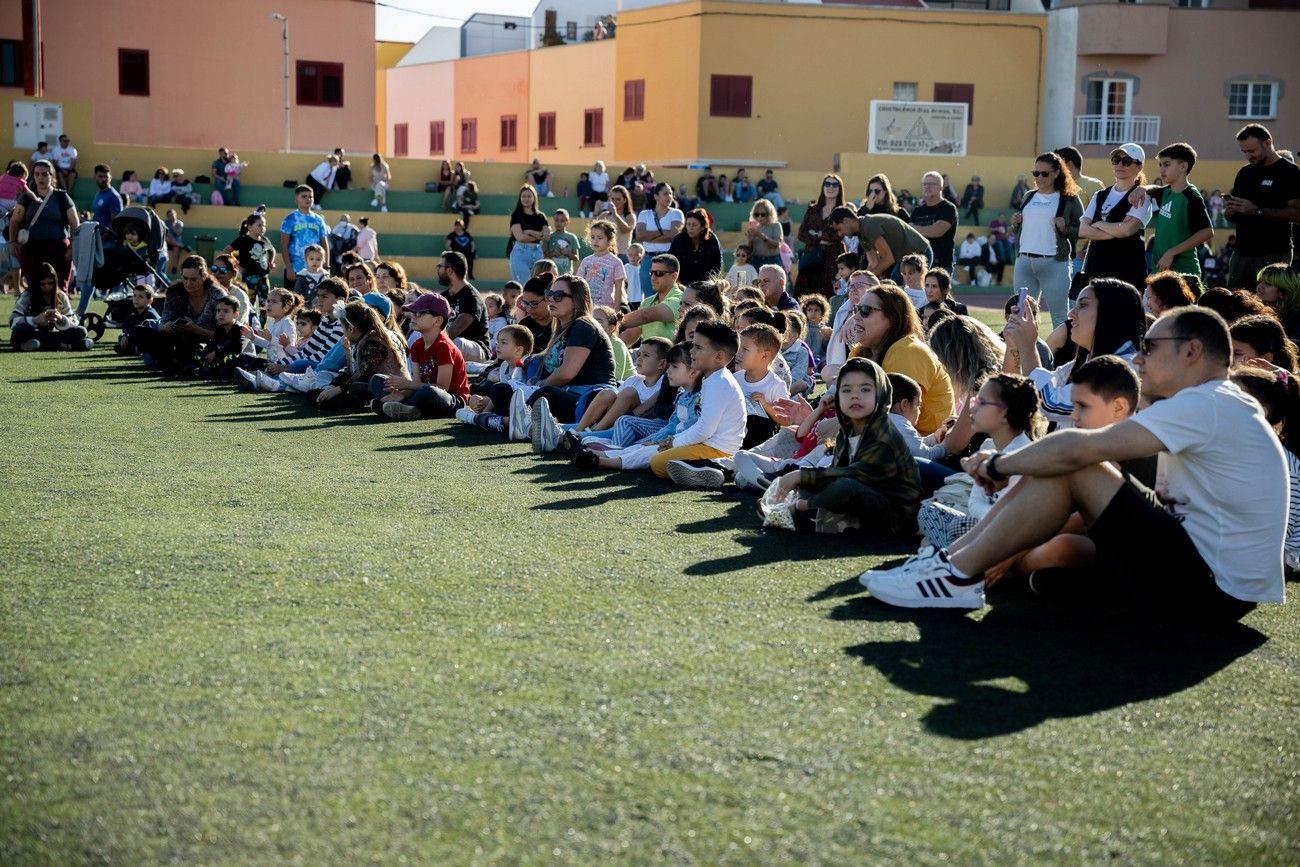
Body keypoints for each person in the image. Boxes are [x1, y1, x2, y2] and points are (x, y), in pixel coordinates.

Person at [862, 307, 1286, 619]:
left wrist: (997, 468)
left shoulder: (1206, 403)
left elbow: (1078, 449)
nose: (1139, 358)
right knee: (1066, 508)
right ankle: (952, 564)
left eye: (1150, 347)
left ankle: (954, 573)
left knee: (1073, 457)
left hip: (1212, 588)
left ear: (1192, 351)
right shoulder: (1217, 403)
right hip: (1214, 579)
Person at [766, 357, 923, 535]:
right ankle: (807, 515)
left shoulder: (884, 431)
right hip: (859, 499)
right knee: (814, 486)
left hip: (894, 509)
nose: (855, 396)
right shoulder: (849, 431)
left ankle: (806, 511)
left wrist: (801, 476)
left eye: (865, 389)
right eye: (847, 390)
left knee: (844, 487)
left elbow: (857, 474)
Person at [1005, 278, 1146, 427]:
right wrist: (1015, 347)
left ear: (1111, 313)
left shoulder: (1126, 367)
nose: (1071, 313)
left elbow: (1048, 403)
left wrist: (1027, 346)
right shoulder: (1087, 362)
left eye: (1083, 305)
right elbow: (1026, 391)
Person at [517, 275, 619, 446]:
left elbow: (566, 373)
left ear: (577, 300)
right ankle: (515, 420)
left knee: (545, 394)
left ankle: (512, 421)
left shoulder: (584, 325)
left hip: (589, 400)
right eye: (549, 293)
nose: (550, 299)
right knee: (501, 390)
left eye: (558, 295)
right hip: (569, 393)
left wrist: (538, 386)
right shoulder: (562, 327)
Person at [849, 282, 955, 435]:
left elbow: (892, 419)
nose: (856, 317)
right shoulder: (861, 352)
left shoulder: (908, 351)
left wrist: (840, 424)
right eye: (856, 309)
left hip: (924, 447)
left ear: (892, 319)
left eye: (865, 311)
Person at [1011, 151, 1084, 328]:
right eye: (1036, 173)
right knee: (1021, 314)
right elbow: (1022, 231)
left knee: (1059, 318)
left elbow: (1084, 230)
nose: (1039, 177)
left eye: (1045, 173)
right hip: (1024, 263)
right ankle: (1025, 354)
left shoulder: (1069, 199)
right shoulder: (1029, 196)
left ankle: (1063, 355)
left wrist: (1066, 229)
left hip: (1054, 264)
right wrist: (1015, 224)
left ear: (1057, 173)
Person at [1224, 124, 1300, 289]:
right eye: (1244, 152)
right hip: (1241, 253)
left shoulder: (1290, 173)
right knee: (1235, 305)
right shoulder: (1244, 173)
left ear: (1268, 143)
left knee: (1270, 306)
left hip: (1273, 253)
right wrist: (1231, 211)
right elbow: (1232, 216)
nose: (1248, 156)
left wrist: (1257, 210)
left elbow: (1297, 214)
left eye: (1252, 151)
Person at [373, 293, 469, 420]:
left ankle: (408, 407)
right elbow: (417, 383)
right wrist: (402, 394)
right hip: (421, 392)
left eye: (420, 313)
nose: (413, 316)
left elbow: (442, 388)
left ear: (438, 320)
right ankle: (409, 407)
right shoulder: (417, 345)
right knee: (377, 380)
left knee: (428, 392)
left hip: (450, 399)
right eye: (413, 312)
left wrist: (407, 384)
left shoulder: (444, 347)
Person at [1078, 143, 1154, 293]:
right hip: (1096, 268)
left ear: (1139, 167)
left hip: (1126, 271)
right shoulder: (1099, 195)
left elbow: (1126, 231)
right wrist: (1115, 231)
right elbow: (1082, 230)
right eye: (1116, 159)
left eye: (1126, 161)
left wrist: (1098, 223)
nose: (1120, 164)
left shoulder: (1142, 197)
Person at [134, 256, 227, 375]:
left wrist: (195, 329)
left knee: (191, 350)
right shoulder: (174, 292)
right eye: (185, 278)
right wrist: (167, 326)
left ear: (204, 276)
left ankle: (177, 365)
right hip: (177, 339)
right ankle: (173, 364)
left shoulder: (217, 295)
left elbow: (225, 335)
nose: (188, 283)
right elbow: (163, 323)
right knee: (139, 331)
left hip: (205, 343)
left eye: (193, 279)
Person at [1137, 142, 1215, 282]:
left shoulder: (1191, 196)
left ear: (1183, 166)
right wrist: (1143, 189)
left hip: (1183, 274)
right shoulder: (1166, 192)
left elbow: (1207, 232)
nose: (1161, 170)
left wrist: (1171, 252)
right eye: (1160, 165)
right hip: (1159, 271)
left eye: (1166, 164)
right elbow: (1155, 188)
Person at [313, 301, 407, 412]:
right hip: (370, 384)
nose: (344, 333)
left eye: (343, 328)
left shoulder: (375, 341)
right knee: (318, 393)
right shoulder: (362, 338)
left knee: (355, 388)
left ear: (351, 329)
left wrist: (337, 390)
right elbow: (352, 369)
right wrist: (333, 385)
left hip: (391, 388)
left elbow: (363, 373)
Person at [8, 160, 79, 294]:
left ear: (52, 176)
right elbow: (15, 221)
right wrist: (12, 242)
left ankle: (61, 315)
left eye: (44, 174)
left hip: (58, 248)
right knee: (35, 289)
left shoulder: (62, 197)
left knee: (60, 289)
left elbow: (75, 224)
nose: (40, 177)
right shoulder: (26, 198)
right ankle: (35, 315)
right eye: (37, 174)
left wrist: (72, 246)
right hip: (32, 248)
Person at [9, 262, 92, 351]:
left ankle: (36, 345)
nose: (47, 287)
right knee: (19, 332)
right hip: (34, 332)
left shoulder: (60, 296)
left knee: (81, 331)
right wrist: (35, 320)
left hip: (52, 334)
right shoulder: (27, 296)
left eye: (50, 283)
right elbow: (13, 322)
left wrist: (61, 319)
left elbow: (74, 320)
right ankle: (67, 346)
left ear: (55, 282)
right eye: (43, 284)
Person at [831, 207, 931, 281]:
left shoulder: (868, 226)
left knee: (898, 281)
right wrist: (859, 278)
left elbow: (888, 259)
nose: (840, 234)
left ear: (846, 221)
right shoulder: (860, 233)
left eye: (839, 229)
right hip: (906, 257)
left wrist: (865, 280)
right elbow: (873, 263)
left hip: (921, 252)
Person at [794, 175, 848, 299]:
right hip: (811, 258)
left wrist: (816, 234)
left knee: (830, 297)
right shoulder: (813, 209)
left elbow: (838, 235)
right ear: (823, 187)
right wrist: (823, 238)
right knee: (804, 297)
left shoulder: (842, 211)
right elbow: (802, 234)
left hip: (833, 261)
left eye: (835, 185)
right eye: (827, 184)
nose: (830, 187)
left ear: (840, 189)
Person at [436, 250, 490, 362]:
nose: (437, 269)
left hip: (477, 350)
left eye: (440, 266)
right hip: (449, 344)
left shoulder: (471, 297)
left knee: (454, 343)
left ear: (450, 271)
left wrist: (434, 344)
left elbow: (456, 329)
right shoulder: (443, 297)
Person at [620, 253, 684, 346]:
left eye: (659, 273)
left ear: (674, 276)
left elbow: (645, 316)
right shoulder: (647, 302)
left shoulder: (680, 299)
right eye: (651, 273)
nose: (653, 278)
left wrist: (613, 321)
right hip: (645, 355)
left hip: (669, 357)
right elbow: (629, 335)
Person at [634, 182, 684, 292]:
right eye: (665, 193)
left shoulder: (677, 213)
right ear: (656, 196)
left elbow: (673, 235)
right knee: (649, 297)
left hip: (669, 259)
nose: (669, 196)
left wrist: (650, 235)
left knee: (668, 296)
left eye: (671, 193)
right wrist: (662, 232)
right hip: (648, 260)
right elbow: (639, 235)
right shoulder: (644, 214)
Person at [279, 185, 329, 292]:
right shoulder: (290, 219)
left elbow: (324, 243)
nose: (308, 199)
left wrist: (326, 266)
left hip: (316, 270)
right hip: (295, 269)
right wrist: (289, 268)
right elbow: (284, 245)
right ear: (296, 199)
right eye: (304, 196)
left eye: (310, 197)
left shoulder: (319, 220)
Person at [225, 212, 276, 303]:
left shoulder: (265, 240)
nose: (263, 228)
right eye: (259, 225)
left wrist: (270, 262)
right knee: (248, 302)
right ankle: (249, 317)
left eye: (264, 226)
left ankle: (262, 318)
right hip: (248, 278)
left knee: (265, 303)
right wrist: (237, 266)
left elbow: (272, 250)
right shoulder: (243, 239)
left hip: (263, 278)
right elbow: (227, 251)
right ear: (249, 227)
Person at [576, 219, 626, 310]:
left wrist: (616, 310)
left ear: (610, 240)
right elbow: (578, 284)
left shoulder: (616, 262)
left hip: (606, 309)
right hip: (587, 308)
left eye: (600, 238)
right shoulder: (586, 261)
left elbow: (619, 289)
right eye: (592, 237)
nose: (595, 241)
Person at [669, 207, 723, 288]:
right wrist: (678, 284)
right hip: (682, 284)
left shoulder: (711, 239)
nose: (690, 227)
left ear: (702, 226)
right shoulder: (679, 240)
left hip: (706, 285)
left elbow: (717, 264)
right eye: (688, 224)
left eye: (694, 225)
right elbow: (671, 262)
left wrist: (709, 283)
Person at [508, 185, 550, 285]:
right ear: (520, 198)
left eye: (529, 196)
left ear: (534, 197)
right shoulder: (516, 215)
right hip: (520, 253)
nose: (526, 199)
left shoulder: (541, 216)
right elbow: (520, 237)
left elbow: (546, 236)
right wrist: (539, 235)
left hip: (538, 252)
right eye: (523, 196)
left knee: (538, 287)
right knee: (524, 286)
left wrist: (530, 231)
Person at [1230, 314, 1298, 372]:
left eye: (1236, 354)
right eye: (1226, 352)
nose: (1227, 358)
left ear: (1266, 358)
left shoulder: (1286, 386)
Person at [1253, 262, 1300, 340]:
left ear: (1283, 293)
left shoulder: (1294, 323)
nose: (1259, 287)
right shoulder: (1255, 311)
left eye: (1268, 284)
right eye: (1260, 281)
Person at [516, 274, 556, 349]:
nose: (528, 309)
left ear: (548, 299)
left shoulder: (560, 325)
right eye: (526, 303)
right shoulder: (524, 325)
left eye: (533, 304)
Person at [90, 164, 122, 247]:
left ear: (110, 178)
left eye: (106, 177)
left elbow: (115, 223)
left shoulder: (113, 196)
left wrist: (102, 239)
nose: (104, 179)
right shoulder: (98, 194)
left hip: (108, 244)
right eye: (100, 176)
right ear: (95, 177)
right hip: (97, 240)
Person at [543, 208, 580, 277]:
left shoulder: (572, 237)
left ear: (568, 222)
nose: (559, 223)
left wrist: (568, 253)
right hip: (551, 274)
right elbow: (544, 255)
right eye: (556, 220)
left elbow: (576, 258)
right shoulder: (549, 237)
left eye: (562, 221)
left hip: (567, 274)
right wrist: (552, 254)